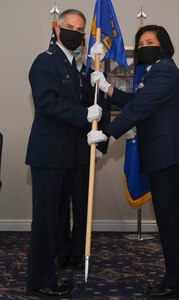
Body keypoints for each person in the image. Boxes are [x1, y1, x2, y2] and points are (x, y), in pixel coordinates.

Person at [88, 25, 179, 299]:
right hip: (166, 157)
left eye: (151, 41)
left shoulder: (165, 70)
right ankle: (178, 278)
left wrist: (106, 134)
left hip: (169, 158)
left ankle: (176, 283)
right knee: (171, 221)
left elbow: (140, 107)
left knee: (171, 222)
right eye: (142, 42)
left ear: (164, 44)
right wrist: (107, 88)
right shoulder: (157, 71)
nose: (145, 45)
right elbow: (138, 100)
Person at [25, 9, 103, 299]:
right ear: (57, 29)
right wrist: (84, 114)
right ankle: (39, 283)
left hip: (71, 156)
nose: (75, 32)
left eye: (80, 29)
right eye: (69, 26)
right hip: (49, 155)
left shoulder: (74, 67)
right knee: (46, 221)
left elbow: (86, 106)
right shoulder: (45, 62)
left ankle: (48, 277)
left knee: (57, 219)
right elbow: (47, 104)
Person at [56, 39, 110, 269]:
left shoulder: (94, 78)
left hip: (84, 149)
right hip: (59, 150)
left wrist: (100, 147)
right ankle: (61, 251)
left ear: (86, 51)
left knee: (82, 204)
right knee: (59, 205)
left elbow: (103, 112)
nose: (78, 50)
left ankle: (79, 251)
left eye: (81, 47)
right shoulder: (58, 71)